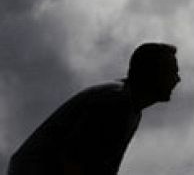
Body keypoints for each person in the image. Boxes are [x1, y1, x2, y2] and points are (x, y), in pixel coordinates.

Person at [6, 43, 181, 175]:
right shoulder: (117, 103)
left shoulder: (131, 109)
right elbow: (73, 160)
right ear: (152, 73)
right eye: (172, 72)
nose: (177, 79)